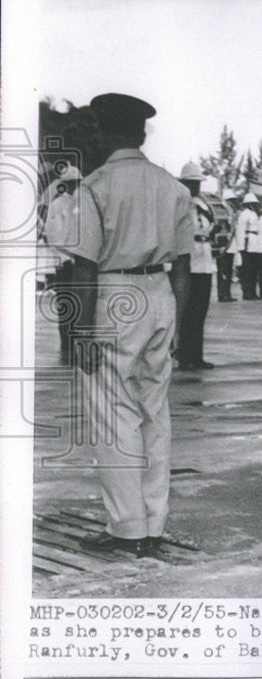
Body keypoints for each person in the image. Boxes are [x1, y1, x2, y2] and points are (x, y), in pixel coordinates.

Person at [65, 92, 192, 556]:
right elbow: (183, 265)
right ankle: (154, 523)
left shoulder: (95, 187)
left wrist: (81, 331)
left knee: (112, 415)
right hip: (160, 294)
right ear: (141, 133)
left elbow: (83, 267)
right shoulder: (172, 186)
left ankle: (127, 528)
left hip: (114, 296)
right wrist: (176, 321)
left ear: (104, 131)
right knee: (154, 413)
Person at [176, 162, 216, 371]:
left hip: (205, 259)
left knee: (200, 311)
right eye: (192, 183)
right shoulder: (180, 203)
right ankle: (184, 356)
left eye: (198, 183)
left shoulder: (203, 203)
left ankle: (197, 356)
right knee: (188, 311)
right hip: (189, 260)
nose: (196, 187)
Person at [42, 165, 83, 364]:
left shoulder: (84, 204)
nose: (76, 186)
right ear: (65, 184)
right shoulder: (58, 205)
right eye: (72, 183)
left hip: (81, 263)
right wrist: (70, 256)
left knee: (82, 303)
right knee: (66, 304)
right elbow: (53, 235)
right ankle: (67, 343)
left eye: (78, 183)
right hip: (65, 262)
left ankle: (78, 341)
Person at [233, 193, 262, 300]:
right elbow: (240, 231)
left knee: (254, 270)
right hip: (247, 244)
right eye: (253, 203)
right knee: (247, 270)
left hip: (254, 244)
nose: (254, 205)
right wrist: (241, 247)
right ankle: (247, 292)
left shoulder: (253, 213)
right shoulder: (244, 214)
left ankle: (253, 291)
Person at [215, 188, 238, 302]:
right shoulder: (221, 211)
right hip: (224, 244)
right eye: (231, 200)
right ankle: (223, 294)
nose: (233, 202)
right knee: (223, 271)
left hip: (230, 244)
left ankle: (226, 293)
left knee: (227, 271)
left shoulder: (231, 211)